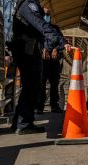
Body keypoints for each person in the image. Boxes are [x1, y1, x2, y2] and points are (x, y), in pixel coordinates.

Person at [10, 0, 64, 134]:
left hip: (29, 48)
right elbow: (39, 23)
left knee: (29, 86)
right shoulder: (28, 4)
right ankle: (23, 124)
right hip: (26, 49)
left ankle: (20, 122)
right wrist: (59, 40)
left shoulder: (28, 4)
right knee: (32, 86)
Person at [36, 6, 69, 114]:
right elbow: (35, 42)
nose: (47, 16)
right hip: (42, 61)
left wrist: (56, 49)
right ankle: (39, 107)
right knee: (41, 84)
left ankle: (54, 106)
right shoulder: (37, 28)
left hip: (54, 61)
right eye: (45, 14)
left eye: (48, 15)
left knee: (54, 84)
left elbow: (62, 42)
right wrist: (42, 49)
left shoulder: (55, 29)